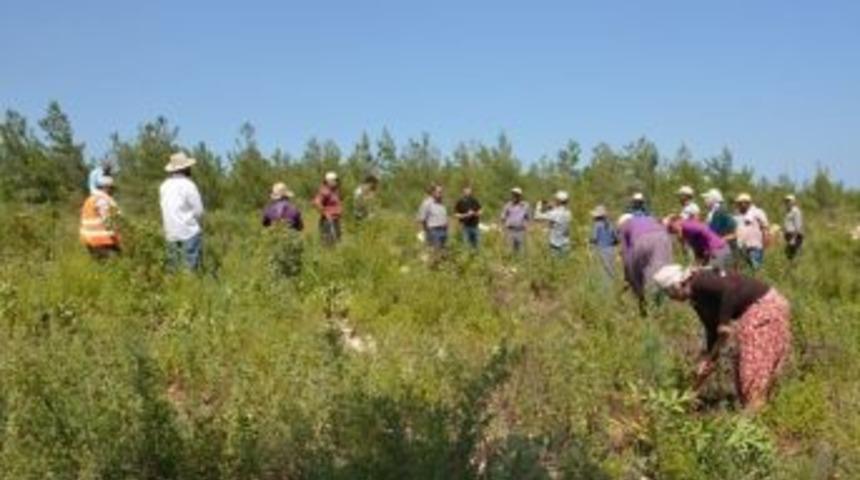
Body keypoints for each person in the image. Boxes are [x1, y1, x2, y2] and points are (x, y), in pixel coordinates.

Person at [653, 265, 792, 411]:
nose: (670, 298)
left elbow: (730, 287)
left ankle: (754, 420)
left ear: (676, 286)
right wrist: (709, 359)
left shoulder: (700, 280)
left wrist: (724, 321)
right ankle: (757, 414)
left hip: (764, 308)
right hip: (760, 310)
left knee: (753, 374)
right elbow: (712, 330)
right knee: (745, 373)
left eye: (668, 293)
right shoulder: (696, 299)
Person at [618, 213, 674, 315]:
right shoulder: (649, 218)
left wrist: (627, 277)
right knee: (663, 273)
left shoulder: (624, 226)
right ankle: (662, 308)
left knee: (637, 273)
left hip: (642, 241)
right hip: (664, 237)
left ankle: (645, 305)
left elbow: (625, 253)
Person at [159, 152, 205, 271]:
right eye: (188, 167)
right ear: (185, 168)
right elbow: (199, 211)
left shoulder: (164, 186)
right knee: (190, 268)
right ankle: (190, 287)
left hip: (170, 232)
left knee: (174, 267)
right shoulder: (188, 185)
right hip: (188, 231)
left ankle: (176, 287)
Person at [665, 215, 732, 269]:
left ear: (675, 222)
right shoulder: (686, 230)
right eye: (669, 230)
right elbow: (697, 247)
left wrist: (710, 251)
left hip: (718, 250)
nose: (671, 232)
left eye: (670, 228)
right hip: (716, 251)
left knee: (712, 277)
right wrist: (698, 261)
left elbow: (703, 230)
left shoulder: (687, 226)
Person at [79, 175, 121, 259]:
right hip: (102, 242)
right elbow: (108, 220)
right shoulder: (102, 200)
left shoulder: (90, 199)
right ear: (106, 187)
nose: (113, 191)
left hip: (90, 241)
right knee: (117, 264)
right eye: (112, 188)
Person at [734, 193, 770, 271]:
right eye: (738, 203)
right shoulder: (738, 215)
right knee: (745, 269)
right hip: (742, 247)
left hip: (755, 246)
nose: (739, 205)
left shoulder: (757, 212)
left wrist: (766, 238)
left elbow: (765, 226)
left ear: (746, 203)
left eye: (740, 203)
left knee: (755, 267)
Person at [534, 191, 572, 255]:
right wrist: (552, 207)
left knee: (556, 263)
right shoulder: (568, 213)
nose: (554, 201)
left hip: (555, 245)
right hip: (566, 244)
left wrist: (539, 205)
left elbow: (537, 216)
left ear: (558, 201)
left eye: (555, 200)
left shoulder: (554, 213)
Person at [313, 171, 343, 246]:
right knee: (328, 243)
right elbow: (316, 202)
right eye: (335, 180)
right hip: (328, 221)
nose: (336, 182)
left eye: (336, 180)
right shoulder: (324, 191)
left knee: (337, 241)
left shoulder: (334, 191)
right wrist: (325, 213)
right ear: (329, 181)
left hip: (335, 219)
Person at [590, 205, 618, 279]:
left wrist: (591, 247)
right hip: (611, 249)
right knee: (611, 269)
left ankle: (605, 289)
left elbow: (594, 238)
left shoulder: (597, 225)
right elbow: (616, 238)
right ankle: (612, 286)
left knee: (603, 270)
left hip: (601, 249)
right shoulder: (610, 224)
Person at [416, 184, 449, 250]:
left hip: (443, 230)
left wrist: (446, 225)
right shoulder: (427, 203)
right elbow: (421, 219)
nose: (441, 194)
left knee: (442, 251)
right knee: (434, 251)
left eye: (441, 192)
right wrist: (423, 233)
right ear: (433, 192)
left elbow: (444, 217)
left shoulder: (441, 204)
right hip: (433, 231)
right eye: (439, 192)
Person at [500, 187, 530, 253]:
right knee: (509, 249)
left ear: (520, 196)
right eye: (513, 194)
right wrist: (503, 228)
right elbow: (503, 217)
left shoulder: (525, 205)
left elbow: (528, 217)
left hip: (520, 230)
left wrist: (527, 227)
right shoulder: (508, 205)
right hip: (510, 230)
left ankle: (519, 262)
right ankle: (510, 262)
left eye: (517, 194)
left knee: (520, 250)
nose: (514, 196)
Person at [454, 185, 482, 249]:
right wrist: (466, 215)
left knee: (477, 245)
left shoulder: (474, 200)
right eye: (466, 190)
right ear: (463, 191)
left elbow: (480, 211)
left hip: (475, 226)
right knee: (466, 245)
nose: (468, 192)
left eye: (469, 190)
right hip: (465, 227)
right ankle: (467, 257)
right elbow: (456, 214)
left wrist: (474, 213)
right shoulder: (460, 202)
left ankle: (476, 257)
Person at [783, 194, 804, 261]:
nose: (787, 202)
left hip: (795, 236)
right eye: (786, 201)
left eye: (789, 200)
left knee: (795, 255)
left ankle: (797, 269)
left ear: (793, 201)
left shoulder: (796, 211)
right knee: (789, 255)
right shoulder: (788, 211)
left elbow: (798, 225)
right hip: (789, 236)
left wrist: (793, 238)